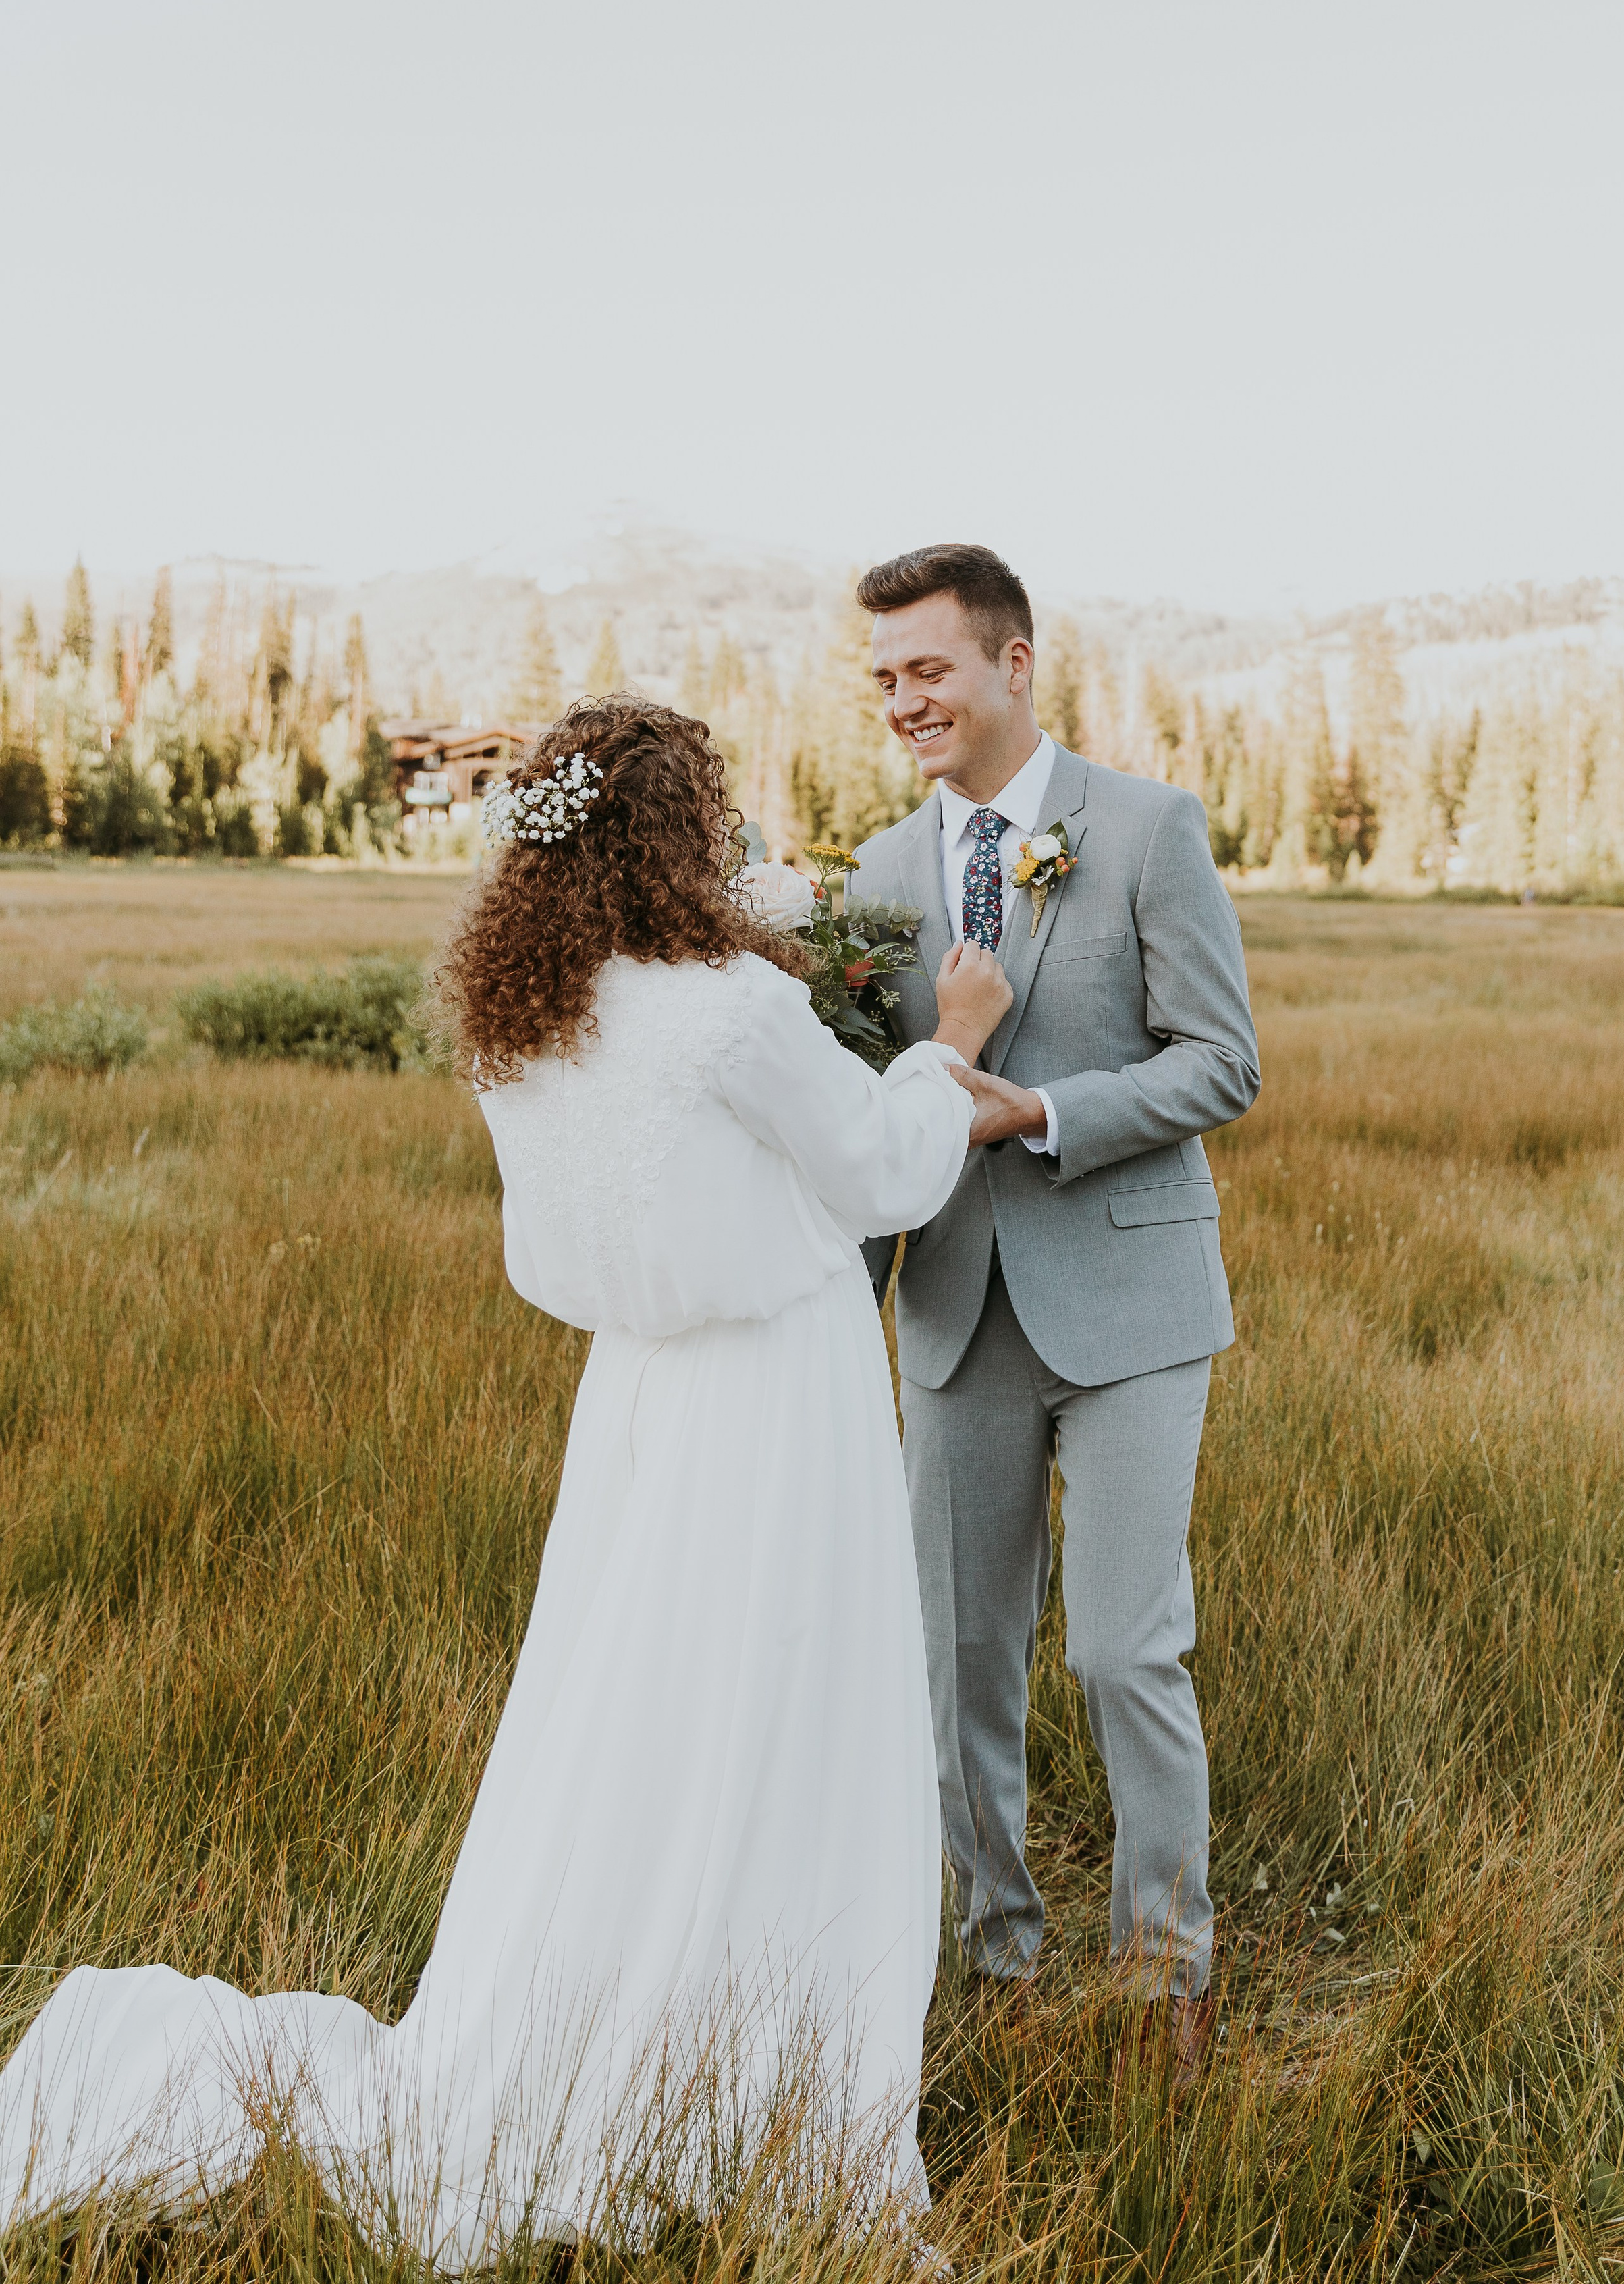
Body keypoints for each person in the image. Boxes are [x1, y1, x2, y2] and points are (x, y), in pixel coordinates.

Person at [0, 699, 1012, 2260]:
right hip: (780, 1394)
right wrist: (948, 1046)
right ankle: (754, 2053)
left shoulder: (525, 1016)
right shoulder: (728, 1003)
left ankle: (613, 2018)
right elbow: (880, 1171)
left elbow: (556, 1253)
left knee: (635, 1705)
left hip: (638, 1403)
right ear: (677, 837)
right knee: (786, 1697)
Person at [848, 546, 1260, 2069]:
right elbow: (862, 1104)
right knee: (956, 1657)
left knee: (1116, 1650)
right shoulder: (878, 877)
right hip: (951, 1311)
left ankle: (1167, 1978)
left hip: (1136, 1306)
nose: (903, 700)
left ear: (1014, 664)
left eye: (928, 669)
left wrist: (1034, 1111)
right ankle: (994, 1959)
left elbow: (1221, 1060)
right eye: (884, 676)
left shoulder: (1146, 827)